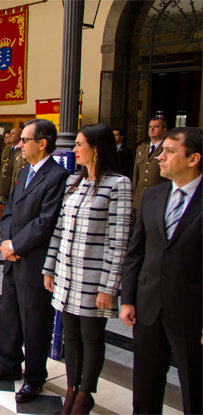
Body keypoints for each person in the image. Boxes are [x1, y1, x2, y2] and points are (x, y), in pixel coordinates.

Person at [43, 123, 132, 415]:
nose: (75, 150)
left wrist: (109, 287)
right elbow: (58, 228)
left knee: (92, 339)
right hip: (67, 275)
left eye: (80, 144)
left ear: (97, 147)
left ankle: (84, 396)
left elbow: (119, 241)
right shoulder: (74, 182)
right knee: (72, 338)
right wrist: (49, 268)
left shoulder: (118, 184)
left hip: (94, 278)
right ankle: (70, 390)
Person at [0, 119, 69, 403]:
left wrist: (16, 244)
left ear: (42, 143)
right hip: (13, 257)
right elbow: (8, 211)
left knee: (36, 322)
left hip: (34, 260)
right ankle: (8, 363)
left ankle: (34, 377)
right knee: (10, 316)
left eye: (25, 140)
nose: (20, 145)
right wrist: (7, 243)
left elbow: (46, 222)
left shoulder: (57, 176)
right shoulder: (25, 170)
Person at [121, 127, 202, 415]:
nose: (160, 157)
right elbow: (136, 251)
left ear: (193, 159)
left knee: (195, 386)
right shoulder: (154, 195)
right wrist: (128, 298)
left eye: (169, 151)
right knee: (146, 383)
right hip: (149, 304)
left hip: (191, 309)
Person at [132, 117, 169, 212]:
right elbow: (136, 173)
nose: (152, 129)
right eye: (150, 127)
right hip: (140, 198)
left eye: (156, 127)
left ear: (164, 130)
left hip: (158, 197)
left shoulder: (167, 149)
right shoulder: (142, 148)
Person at [0, 127, 23, 204]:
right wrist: (0, 185)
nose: (10, 135)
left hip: (13, 186)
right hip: (5, 186)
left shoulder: (21, 150)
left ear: (19, 136)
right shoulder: (7, 149)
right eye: (10, 133)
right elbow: (2, 167)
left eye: (13, 133)